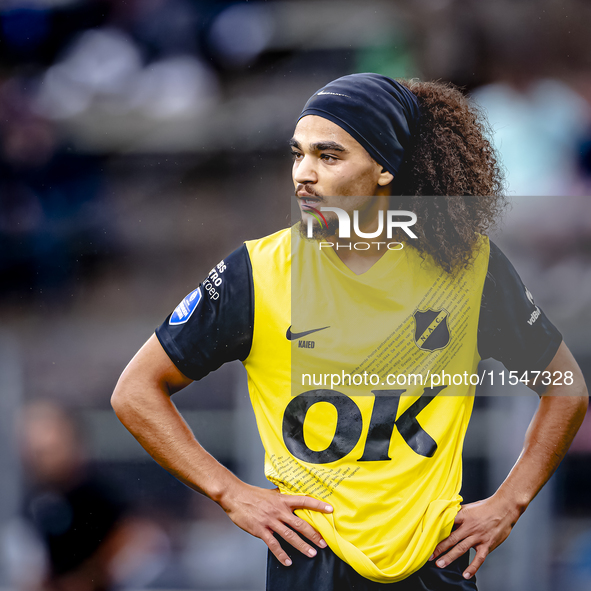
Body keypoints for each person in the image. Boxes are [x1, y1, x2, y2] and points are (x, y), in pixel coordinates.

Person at [111, 73, 588, 590]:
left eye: (329, 156)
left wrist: (505, 506)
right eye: (298, 155)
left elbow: (566, 391)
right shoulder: (257, 272)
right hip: (311, 564)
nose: (303, 175)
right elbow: (135, 392)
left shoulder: (470, 269)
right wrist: (230, 493)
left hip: (434, 564)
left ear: (385, 168)